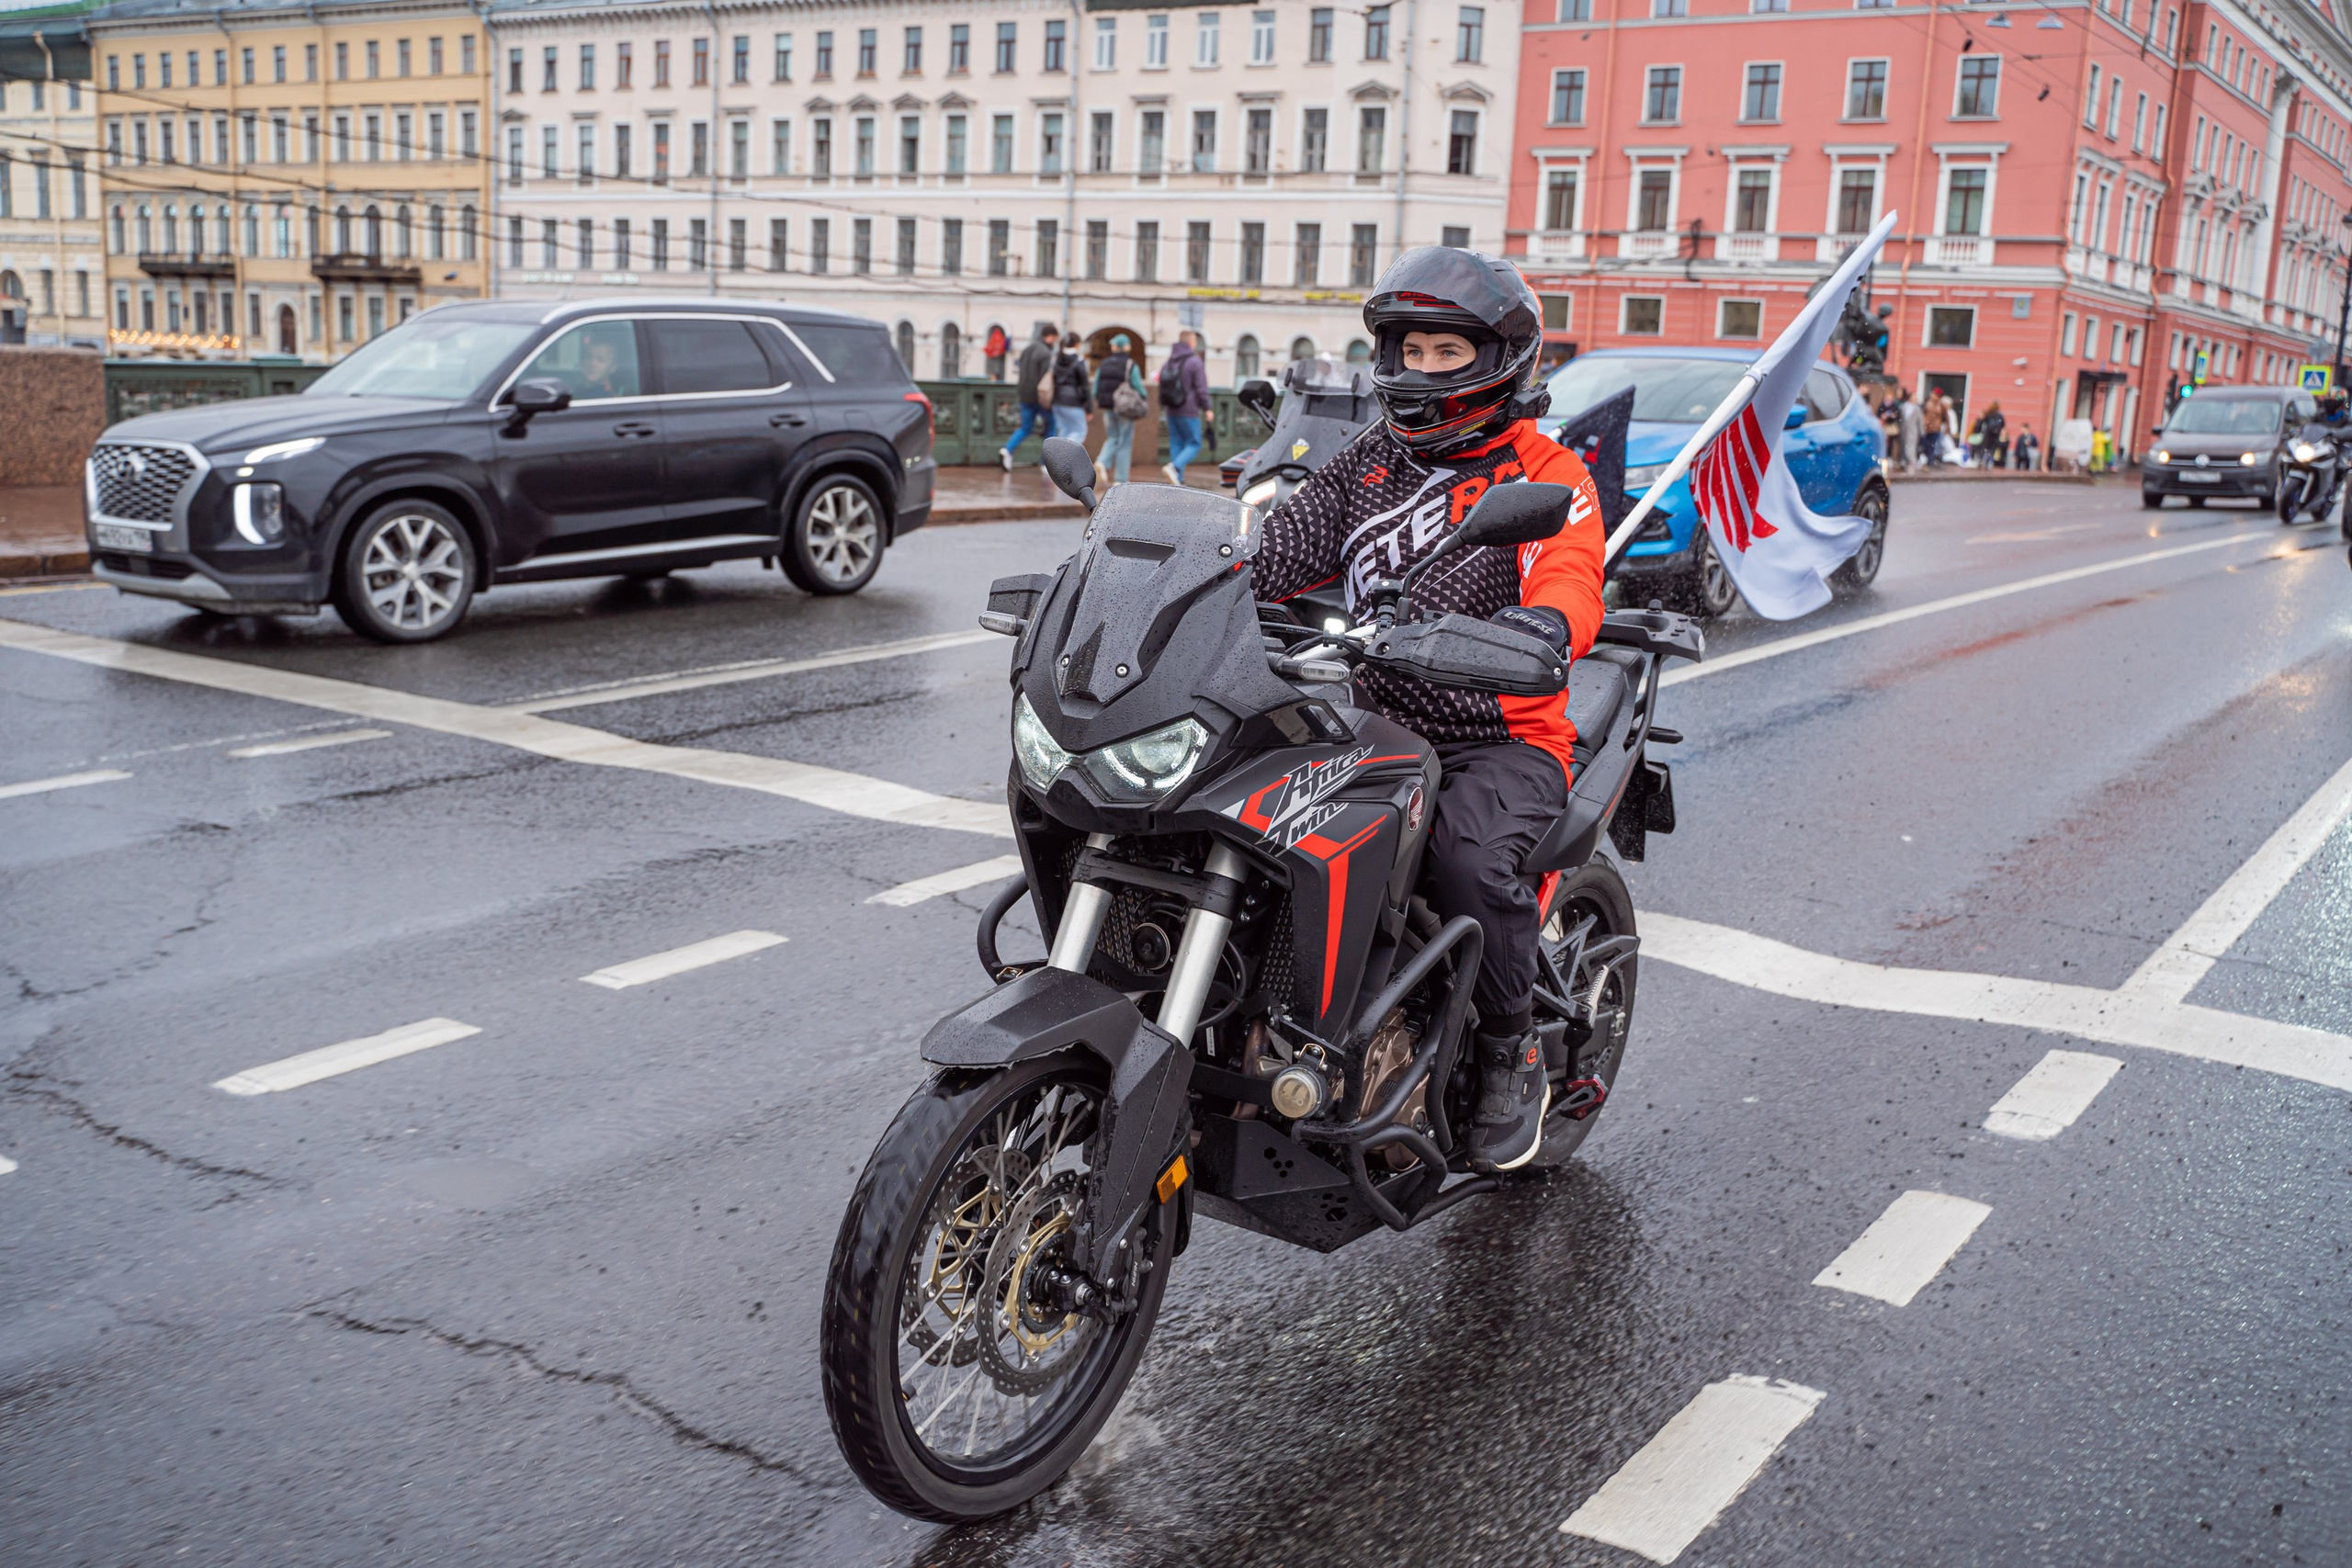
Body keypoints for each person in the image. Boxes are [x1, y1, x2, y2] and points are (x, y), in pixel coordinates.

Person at [1250, 246, 1607, 1173]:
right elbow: (1275, 554)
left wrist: (1539, 629)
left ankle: (1509, 1051)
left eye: (1446, 354)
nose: (1419, 372)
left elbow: (1570, 578)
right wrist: (1194, 580)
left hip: (1500, 735)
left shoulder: (1545, 472)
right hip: (1375, 719)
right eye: (1409, 351)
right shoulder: (1367, 463)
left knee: (1464, 859)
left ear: (1495, 362)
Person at [999, 324, 1059, 473]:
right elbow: (1046, 377)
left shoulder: (1027, 349)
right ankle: (1046, 463)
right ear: (1050, 337)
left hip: (1024, 395)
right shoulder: (1046, 353)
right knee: (1051, 428)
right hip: (1040, 397)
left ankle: (1008, 450)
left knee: (1025, 428)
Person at [1094, 333, 1148, 486]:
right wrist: (1143, 398)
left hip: (1107, 407)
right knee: (1124, 442)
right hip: (1125, 407)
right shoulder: (1130, 364)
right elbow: (1138, 386)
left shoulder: (1103, 363)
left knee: (1112, 437)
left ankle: (1102, 461)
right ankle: (1120, 479)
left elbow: (1096, 388)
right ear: (1126, 347)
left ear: (1114, 347)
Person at [1159, 330, 1211, 485]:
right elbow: (1201, 388)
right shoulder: (1195, 361)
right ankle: (1175, 468)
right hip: (1189, 410)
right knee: (1194, 443)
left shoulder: (1168, 362)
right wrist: (1207, 408)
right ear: (1190, 343)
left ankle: (1178, 479)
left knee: (1176, 442)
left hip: (1171, 408)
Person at [1049, 330, 1093, 446]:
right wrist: (1089, 408)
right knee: (1080, 431)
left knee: (1064, 432)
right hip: (1073, 402)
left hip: (1057, 400)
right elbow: (1084, 385)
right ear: (1077, 344)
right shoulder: (1079, 360)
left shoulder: (1057, 358)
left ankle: (1055, 461)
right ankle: (1062, 457)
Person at [1897, 390, 1923, 473]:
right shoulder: (1904, 407)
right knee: (1903, 444)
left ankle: (1912, 461)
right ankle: (1904, 460)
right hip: (1904, 429)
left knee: (1911, 445)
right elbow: (1901, 419)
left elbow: (1920, 421)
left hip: (1913, 430)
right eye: (1914, 397)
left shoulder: (1917, 408)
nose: (1915, 399)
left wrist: (1922, 431)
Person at [1978, 401, 2007, 469]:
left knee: (1985, 448)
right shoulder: (2000, 415)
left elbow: (1982, 422)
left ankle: (1982, 461)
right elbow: (2003, 424)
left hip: (1988, 434)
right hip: (1995, 435)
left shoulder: (1989, 414)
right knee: (1992, 449)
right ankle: (1989, 463)